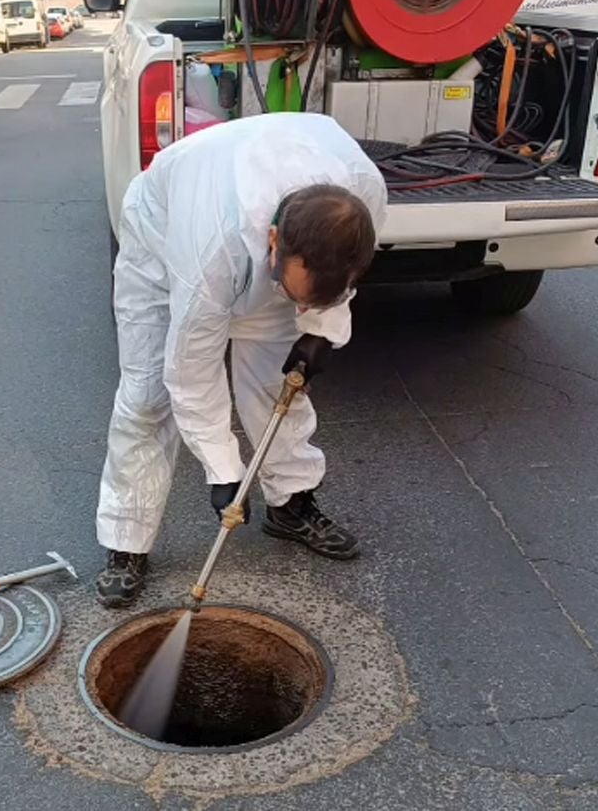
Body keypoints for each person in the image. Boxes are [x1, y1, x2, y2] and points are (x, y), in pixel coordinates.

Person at [95, 112, 388, 607]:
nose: (298, 310)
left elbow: (341, 279)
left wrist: (321, 329)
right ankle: (127, 540)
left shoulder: (362, 194)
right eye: (296, 296)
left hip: (266, 239)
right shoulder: (211, 246)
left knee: (283, 385)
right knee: (147, 398)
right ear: (275, 243)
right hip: (162, 238)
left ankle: (291, 505)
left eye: (306, 303)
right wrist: (223, 469)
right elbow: (192, 371)